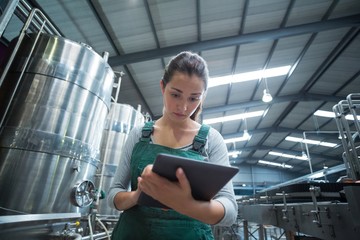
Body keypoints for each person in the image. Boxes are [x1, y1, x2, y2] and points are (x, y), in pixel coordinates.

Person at [107, 51, 238, 240]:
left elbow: (230, 211)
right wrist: (138, 195)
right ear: (162, 86)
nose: (183, 107)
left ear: (202, 97)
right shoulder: (139, 134)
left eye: (193, 98)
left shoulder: (212, 139)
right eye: (175, 95)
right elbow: (114, 195)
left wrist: (187, 205)